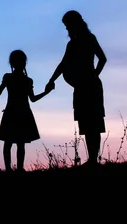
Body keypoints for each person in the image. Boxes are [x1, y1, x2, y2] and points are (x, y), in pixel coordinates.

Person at [45, 10, 107, 166]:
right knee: (86, 123)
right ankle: (92, 159)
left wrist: (94, 75)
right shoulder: (72, 44)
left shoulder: (88, 39)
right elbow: (63, 64)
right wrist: (52, 79)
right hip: (81, 85)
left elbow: (102, 59)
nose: (67, 29)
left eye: (68, 26)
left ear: (74, 24)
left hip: (90, 85)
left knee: (93, 122)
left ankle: (93, 159)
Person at [0, 49, 52, 172]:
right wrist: (46, 93)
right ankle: (19, 168)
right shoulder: (26, 80)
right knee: (19, 143)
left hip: (12, 112)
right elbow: (33, 99)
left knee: (9, 142)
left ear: (12, 63)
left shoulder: (10, 78)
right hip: (22, 113)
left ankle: (10, 169)